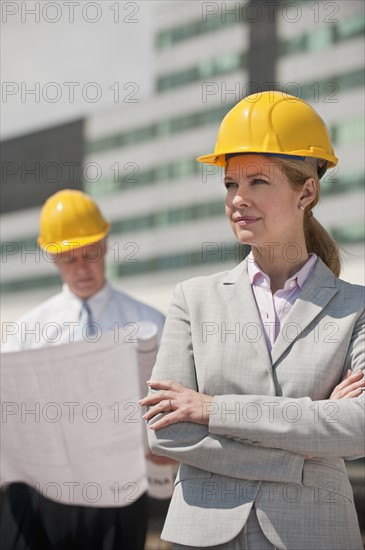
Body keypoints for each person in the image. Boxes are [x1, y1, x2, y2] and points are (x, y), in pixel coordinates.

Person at [140, 91, 365, 549]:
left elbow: (358, 428)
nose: (238, 199)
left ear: (306, 191)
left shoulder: (356, 307)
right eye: (229, 184)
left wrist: (213, 409)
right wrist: (300, 452)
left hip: (316, 534)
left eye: (258, 181)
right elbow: (166, 431)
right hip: (202, 533)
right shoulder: (192, 299)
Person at [1, 189, 165, 550]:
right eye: (67, 258)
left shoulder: (151, 325)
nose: (81, 268)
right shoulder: (23, 334)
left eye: (89, 254)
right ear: (51, 256)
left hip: (120, 495)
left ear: (105, 244)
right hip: (37, 496)